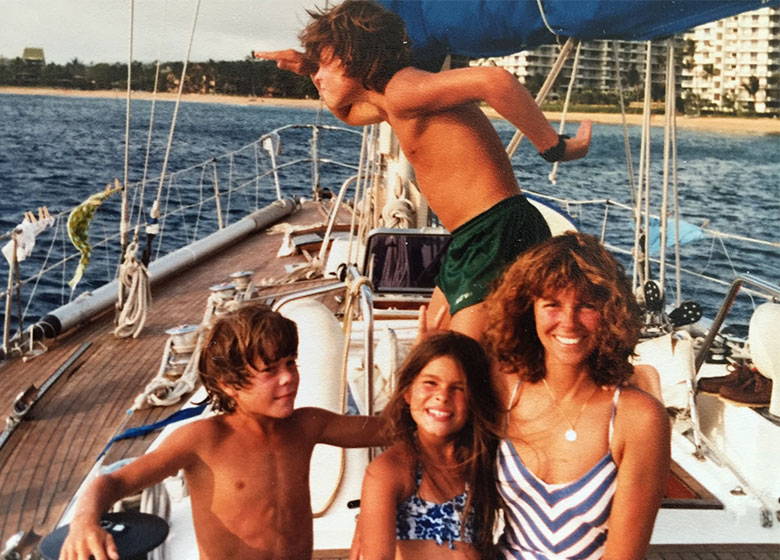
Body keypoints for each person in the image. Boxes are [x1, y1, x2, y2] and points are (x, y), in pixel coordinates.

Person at [254, 0, 592, 340]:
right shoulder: (392, 99)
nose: (317, 75)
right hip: (473, 236)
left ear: (354, 56)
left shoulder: (404, 91)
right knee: (433, 343)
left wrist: (554, 146)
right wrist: (309, 69)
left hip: (495, 232)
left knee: (460, 354)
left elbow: (496, 82)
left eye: (323, 63)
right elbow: (347, 112)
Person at [60, 302, 385, 560]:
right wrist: (84, 521)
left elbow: (386, 430)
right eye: (269, 371)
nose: (287, 377)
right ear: (228, 384)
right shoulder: (203, 440)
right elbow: (114, 481)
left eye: (290, 363)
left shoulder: (307, 425)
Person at [483, 232, 670, 560]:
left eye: (586, 306)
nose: (568, 322)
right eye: (552, 304)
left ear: (611, 314)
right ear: (529, 310)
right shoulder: (504, 390)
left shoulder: (637, 418)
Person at [352, 332, 500, 559]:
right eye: (430, 383)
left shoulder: (479, 461)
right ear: (408, 392)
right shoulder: (390, 471)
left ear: (474, 399)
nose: (442, 396)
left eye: (458, 388)